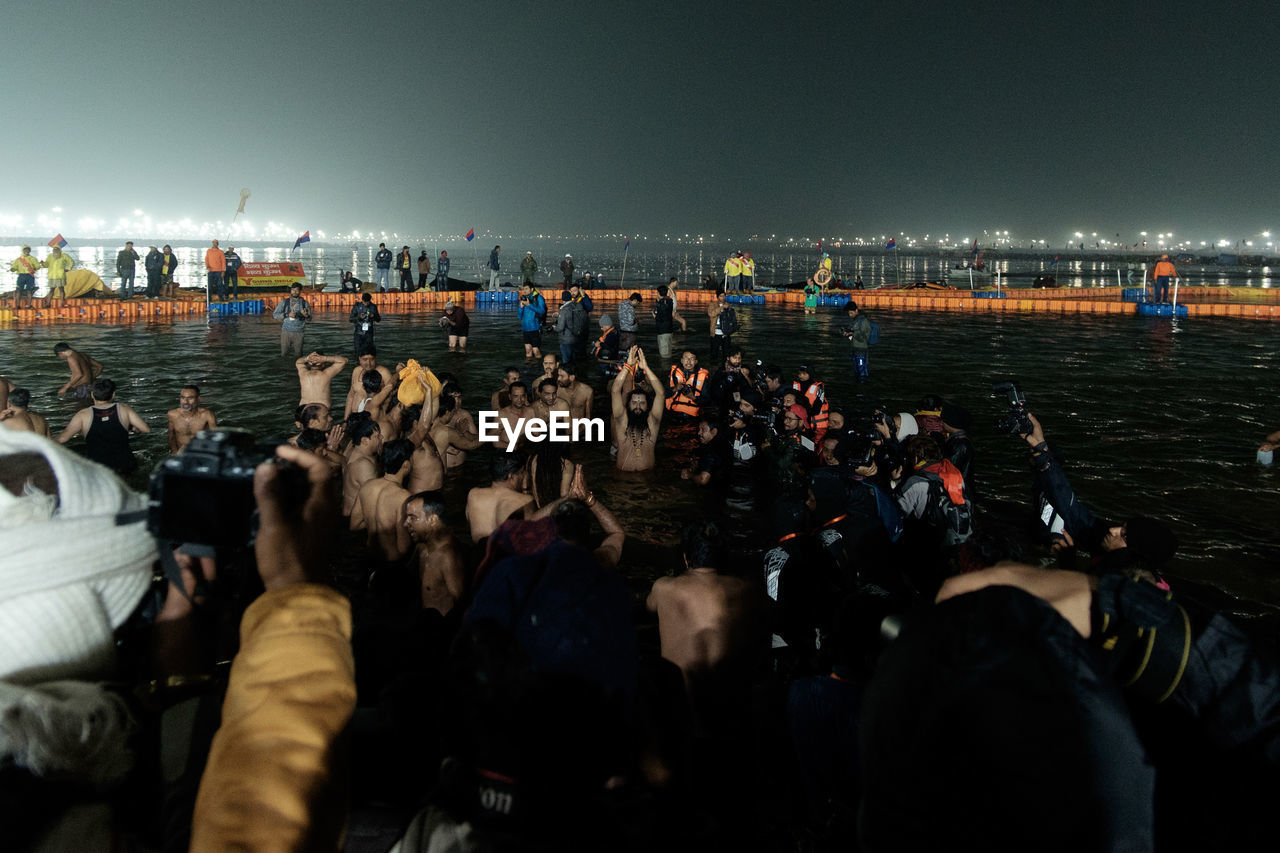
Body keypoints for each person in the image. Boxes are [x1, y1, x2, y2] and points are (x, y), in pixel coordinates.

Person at [645, 521, 767, 717]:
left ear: (686, 559)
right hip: (730, 706)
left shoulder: (663, 588)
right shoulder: (748, 590)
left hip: (679, 706)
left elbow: (649, 607)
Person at [55, 377, 150, 473]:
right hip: (124, 463)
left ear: (92, 395)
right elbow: (145, 429)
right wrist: (131, 427)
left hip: (97, 466)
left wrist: (44, 438)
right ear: (113, 395)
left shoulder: (83, 414)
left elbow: (63, 438)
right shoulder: (124, 409)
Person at [350, 438, 415, 562]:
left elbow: (354, 525)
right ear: (406, 464)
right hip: (391, 565)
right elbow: (403, 547)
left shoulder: (367, 486)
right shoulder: (403, 496)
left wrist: (373, 520)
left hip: (369, 558)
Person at [403, 492, 466, 616]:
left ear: (433, 520)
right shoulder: (421, 547)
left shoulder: (448, 555)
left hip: (442, 629)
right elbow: (405, 579)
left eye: (413, 518)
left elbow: (462, 604)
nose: (405, 523)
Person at [611, 346, 665, 472]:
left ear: (647, 405)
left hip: (647, 479)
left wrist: (646, 368)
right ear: (629, 404)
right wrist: (627, 367)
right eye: (634, 402)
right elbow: (615, 391)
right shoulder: (621, 420)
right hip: (622, 478)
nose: (638, 406)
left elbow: (661, 393)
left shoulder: (653, 422)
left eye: (642, 403)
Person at [466, 453, 535, 543]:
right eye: (521, 473)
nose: (523, 477)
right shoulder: (525, 500)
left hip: (479, 553)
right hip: (507, 555)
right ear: (511, 476)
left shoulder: (473, 495)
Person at [166, 384, 217, 453]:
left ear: (198, 399)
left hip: (200, 451)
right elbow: (171, 438)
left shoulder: (207, 415)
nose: (185, 402)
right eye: (182, 397)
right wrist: (175, 454)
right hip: (181, 454)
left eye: (190, 398)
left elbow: (215, 439)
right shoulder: (172, 415)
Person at [665, 349, 709, 422]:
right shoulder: (673, 374)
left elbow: (707, 402)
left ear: (696, 362)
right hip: (673, 414)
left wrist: (693, 397)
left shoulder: (703, 378)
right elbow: (662, 394)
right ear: (682, 360)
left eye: (692, 359)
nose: (688, 361)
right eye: (686, 358)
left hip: (692, 417)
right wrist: (675, 389)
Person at [273, 283, 312, 357]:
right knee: (284, 354)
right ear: (290, 291)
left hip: (299, 333)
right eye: (293, 290)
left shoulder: (305, 303)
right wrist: (287, 315)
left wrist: (306, 315)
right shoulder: (284, 302)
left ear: (300, 291)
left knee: (298, 355)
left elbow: (309, 320)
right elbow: (275, 315)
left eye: (297, 290)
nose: (294, 292)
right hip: (286, 332)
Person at [842, 300, 872, 381]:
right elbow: (853, 337)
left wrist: (852, 333)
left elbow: (864, 337)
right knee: (857, 371)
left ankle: (862, 389)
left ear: (856, 311)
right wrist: (847, 334)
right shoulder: (854, 321)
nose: (850, 315)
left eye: (851, 313)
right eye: (849, 313)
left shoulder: (863, 321)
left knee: (862, 372)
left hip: (861, 350)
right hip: (855, 350)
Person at [555, 289, 587, 365]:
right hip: (577, 337)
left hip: (566, 339)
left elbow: (560, 327)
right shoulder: (578, 306)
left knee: (566, 361)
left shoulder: (564, 310)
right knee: (574, 360)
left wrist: (554, 328)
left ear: (563, 300)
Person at [707, 289, 738, 363]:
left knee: (726, 354)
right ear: (717, 297)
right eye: (721, 296)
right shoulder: (713, 305)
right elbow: (711, 314)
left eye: (724, 296)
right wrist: (722, 308)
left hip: (726, 333)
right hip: (715, 333)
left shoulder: (728, 305)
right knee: (714, 353)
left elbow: (732, 318)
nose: (723, 297)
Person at [519, 282, 547, 359]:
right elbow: (519, 316)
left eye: (526, 289)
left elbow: (542, 311)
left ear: (532, 289)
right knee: (528, 351)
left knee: (536, 350)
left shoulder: (539, 298)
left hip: (535, 328)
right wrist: (521, 307)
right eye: (523, 289)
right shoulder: (523, 299)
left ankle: (539, 366)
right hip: (525, 329)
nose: (524, 291)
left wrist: (529, 305)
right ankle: (529, 368)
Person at [350, 291, 381, 356]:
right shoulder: (357, 306)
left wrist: (373, 316)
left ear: (370, 300)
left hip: (369, 333)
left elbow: (378, 319)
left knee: (369, 352)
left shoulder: (373, 307)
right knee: (358, 351)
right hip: (358, 332)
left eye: (368, 302)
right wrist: (359, 317)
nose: (366, 304)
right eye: (365, 302)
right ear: (362, 300)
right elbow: (351, 319)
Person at [653, 283, 677, 357]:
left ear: (659, 293)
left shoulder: (662, 304)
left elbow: (659, 317)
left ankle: (665, 367)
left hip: (663, 331)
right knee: (669, 351)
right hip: (669, 329)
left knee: (664, 354)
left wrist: (654, 315)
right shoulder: (669, 301)